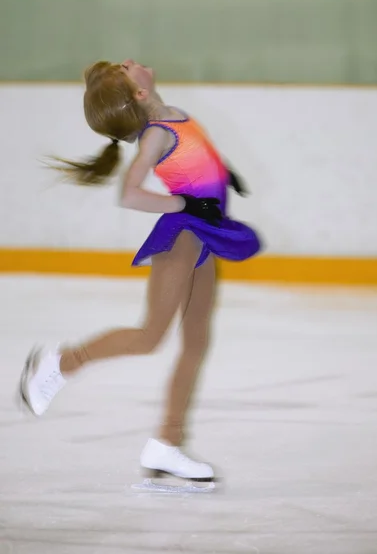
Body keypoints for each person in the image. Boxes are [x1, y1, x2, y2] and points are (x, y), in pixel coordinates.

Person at [19, 59, 261, 491]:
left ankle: (167, 443)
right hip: (183, 237)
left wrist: (223, 171)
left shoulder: (173, 116)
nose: (133, 63)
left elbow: (195, 151)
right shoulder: (155, 135)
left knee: (197, 340)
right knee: (151, 335)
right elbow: (130, 194)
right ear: (140, 94)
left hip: (204, 235)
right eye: (126, 69)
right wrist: (185, 206)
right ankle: (59, 364)